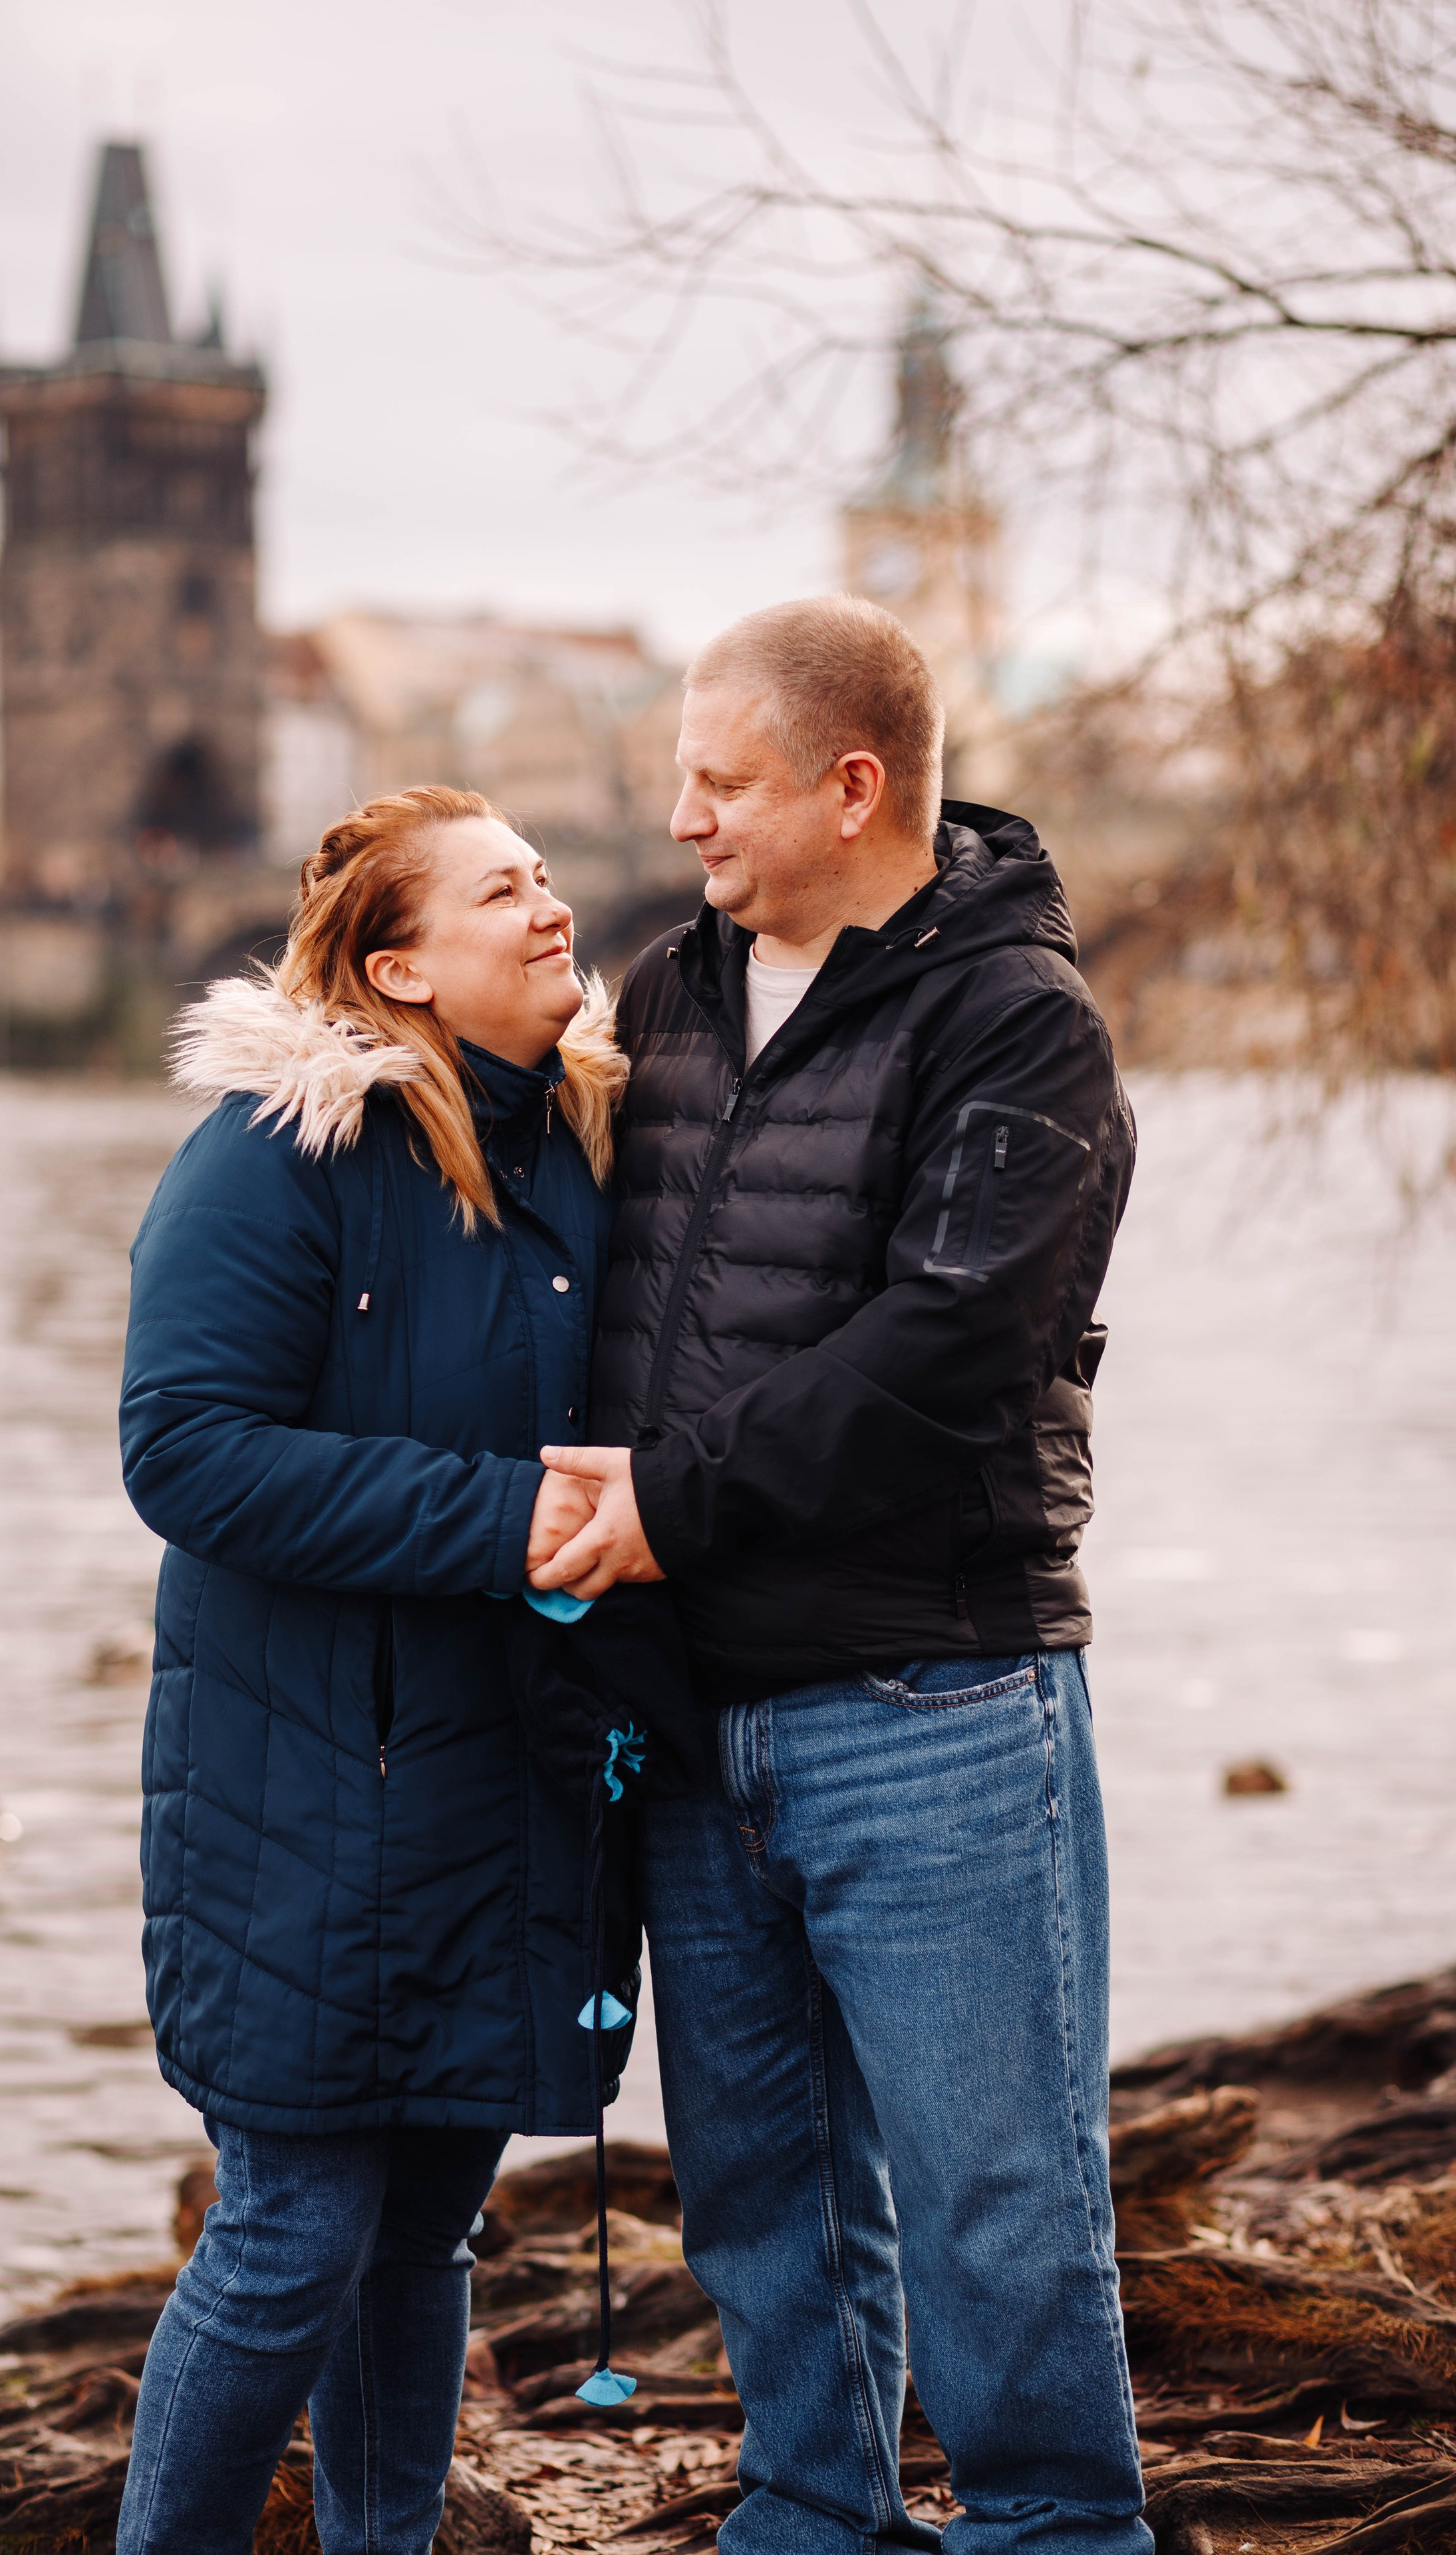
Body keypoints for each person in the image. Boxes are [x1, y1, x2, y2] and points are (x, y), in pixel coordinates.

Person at [530, 597, 1150, 2555]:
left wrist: (668, 1505)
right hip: (700, 1705)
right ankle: (811, 2521)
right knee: (761, 2192)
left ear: (851, 786)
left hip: (932, 1701)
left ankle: (1058, 2532)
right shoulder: (672, 988)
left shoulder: (1019, 1020)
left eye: (720, 784)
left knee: (995, 2192)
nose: (687, 822)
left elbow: (946, 1347)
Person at [114, 786, 632, 2555]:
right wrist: (510, 1519)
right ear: (400, 965)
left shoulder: (580, 1141)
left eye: (548, 878)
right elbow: (181, 1451)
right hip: (305, 1792)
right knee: (288, 2239)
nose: (554, 909)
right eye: (507, 895)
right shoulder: (279, 1149)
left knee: (423, 2238)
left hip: (500, 1782)